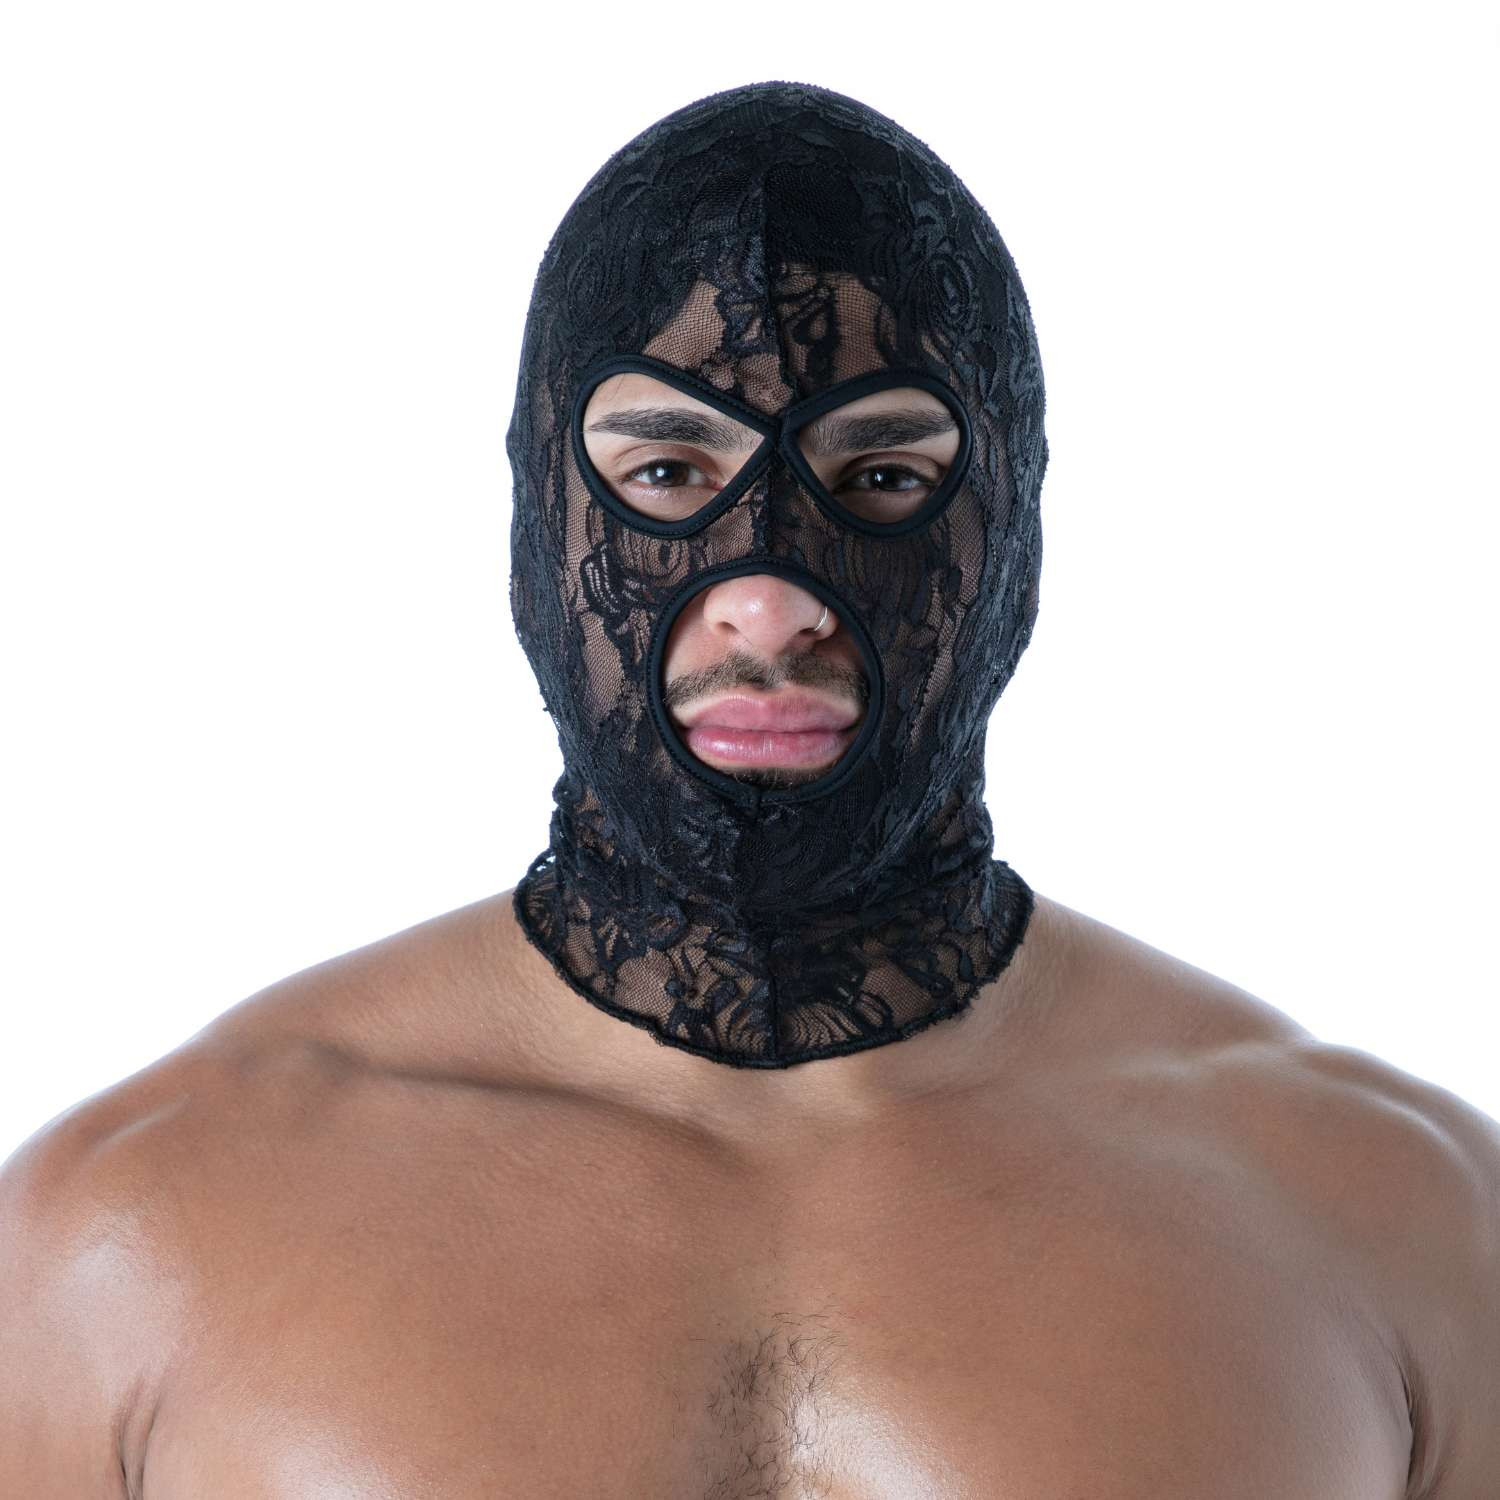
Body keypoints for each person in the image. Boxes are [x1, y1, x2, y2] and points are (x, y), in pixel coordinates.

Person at [1, 79, 1495, 1496]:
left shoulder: (1398, 1224)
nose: (770, 603)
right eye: (666, 473)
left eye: (883, 478)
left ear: (1013, 522)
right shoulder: (132, 1238)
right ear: (540, 515)